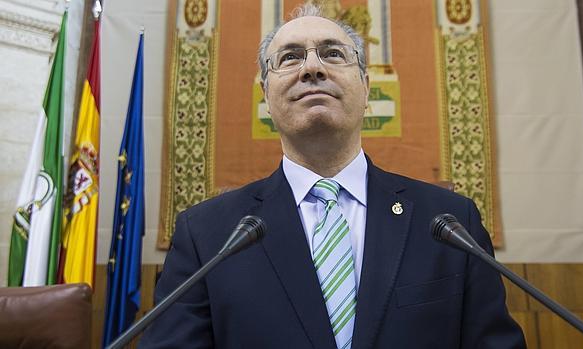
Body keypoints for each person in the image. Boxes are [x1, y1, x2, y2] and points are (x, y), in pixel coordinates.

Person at [140, 4, 526, 348]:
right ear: (266, 96)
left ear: (366, 85)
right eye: (290, 58)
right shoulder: (207, 235)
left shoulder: (450, 222)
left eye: (332, 53)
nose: (312, 67)